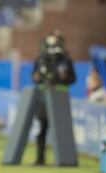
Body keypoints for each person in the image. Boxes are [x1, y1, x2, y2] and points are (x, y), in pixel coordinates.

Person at [32, 30, 76, 165]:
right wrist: (37, 77)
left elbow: (73, 78)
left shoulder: (66, 60)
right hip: (44, 99)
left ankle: (63, 159)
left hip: (59, 99)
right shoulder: (40, 59)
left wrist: (65, 78)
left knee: (61, 131)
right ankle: (40, 158)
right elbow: (34, 76)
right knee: (42, 130)